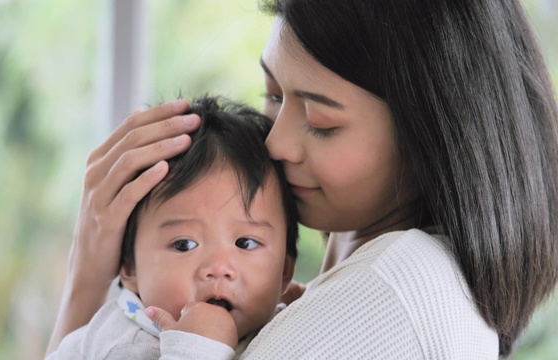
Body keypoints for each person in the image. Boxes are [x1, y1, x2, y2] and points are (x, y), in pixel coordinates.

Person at [47, 0, 558, 358]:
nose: (275, 143)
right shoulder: (321, 294)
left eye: (322, 122)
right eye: (274, 95)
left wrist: (89, 279)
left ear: (430, 137)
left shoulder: (390, 290)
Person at [46, 96, 299, 359]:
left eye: (245, 243)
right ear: (131, 267)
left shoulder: (289, 331)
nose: (218, 268)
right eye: (183, 244)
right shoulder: (120, 345)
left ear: (285, 269)